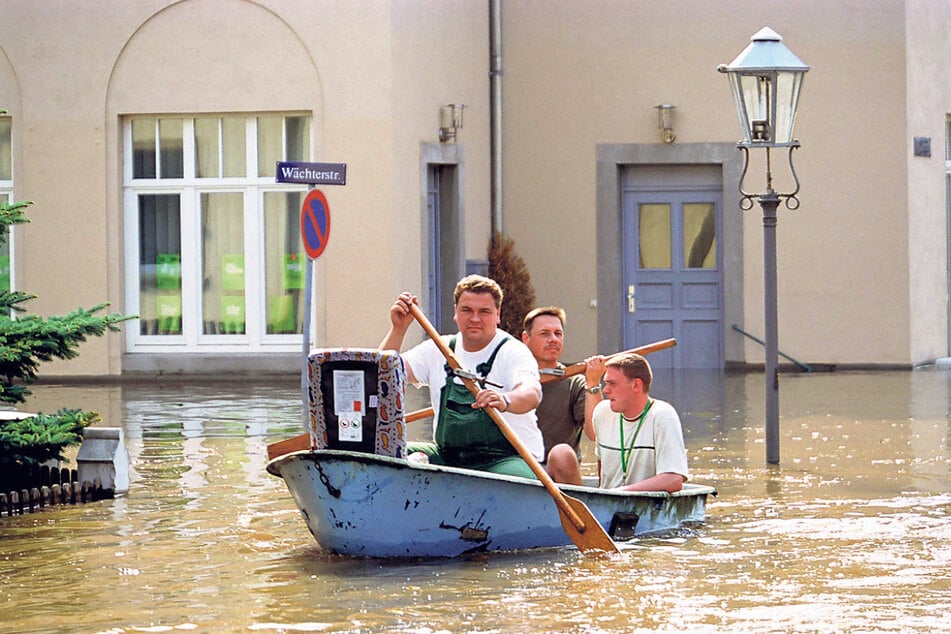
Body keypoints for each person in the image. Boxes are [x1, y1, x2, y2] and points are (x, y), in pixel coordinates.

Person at [379, 275, 543, 479]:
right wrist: (399, 329)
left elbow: (532, 393)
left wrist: (505, 400)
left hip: (507, 458)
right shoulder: (438, 348)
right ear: (456, 313)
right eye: (467, 310)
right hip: (449, 457)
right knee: (382, 455)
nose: (475, 318)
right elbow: (382, 378)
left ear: (497, 315)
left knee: (515, 480)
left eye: (484, 311)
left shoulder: (513, 351)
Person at [520, 306, 604, 485]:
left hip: (557, 472)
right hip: (516, 469)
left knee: (562, 454)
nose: (553, 340)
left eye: (558, 334)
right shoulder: (511, 376)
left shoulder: (575, 383)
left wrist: (593, 383)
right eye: (545, 334)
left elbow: (596, 433)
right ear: (526, 338)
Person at [586, 353, 688, 492]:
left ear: (636, 385)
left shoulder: (663, 416)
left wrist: (621, 492)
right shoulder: (602, 412)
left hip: (647, 506)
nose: (605, 390)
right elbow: (602, 469)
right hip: (608, 503)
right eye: (605, 383)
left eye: (612, 384)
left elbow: (673, 480)